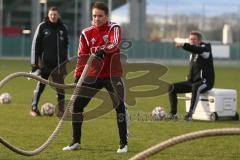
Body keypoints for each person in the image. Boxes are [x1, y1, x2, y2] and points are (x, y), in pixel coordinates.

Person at [62, 2, 128, 153]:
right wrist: (78, 77)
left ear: (106, 16)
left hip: (113, 75)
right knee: (77, 106)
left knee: (119, 107)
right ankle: (75, 141)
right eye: (94, 16)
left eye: (100, 16)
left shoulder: (114, 28)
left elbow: (115, 43)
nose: (96, 19)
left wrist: (103, 50)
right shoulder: (86, 33)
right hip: (92, 76)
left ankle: (123, 143)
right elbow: (82, 57)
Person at [30, 7, 69, 117]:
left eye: (55, 14)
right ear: (48, 15)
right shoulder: (42, 27)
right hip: (45, 65)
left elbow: (66, 47)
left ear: (58, 15)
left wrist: (65, 63)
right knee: (40, 86)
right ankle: (34, 108)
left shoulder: (63, 28)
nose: (53, 16)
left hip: (59, 65)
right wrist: (34, 64)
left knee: (60, 89)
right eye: (51, 14)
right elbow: (35, 46)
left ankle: (61, 110)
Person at [168, 31, 215, 121]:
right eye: (190, 39)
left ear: (199, 40)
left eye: (194, 39)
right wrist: (189, 76)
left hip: (206, 82)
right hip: (192, 82)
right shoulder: (192, 53)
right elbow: (194, 67)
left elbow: (198, 49)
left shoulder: (206, 48)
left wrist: (183, 45)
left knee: (195, 87)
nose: (191, 41)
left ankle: (190, 114)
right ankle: (173, 114)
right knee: (171, 87)